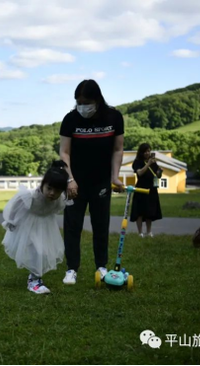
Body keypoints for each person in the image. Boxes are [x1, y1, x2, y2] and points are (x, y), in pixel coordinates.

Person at [59, 79, 124, 286]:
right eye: (78, 101)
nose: (82, 106)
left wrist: (115, 176)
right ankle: (71, 269)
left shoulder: (114, 117)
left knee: (101, 224)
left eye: (86, 101)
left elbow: (117, 149)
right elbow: (64, 152)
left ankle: (101, 267)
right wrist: (70, 179)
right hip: (75, 183)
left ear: (97, 99)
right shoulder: (70, 119)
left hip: (101, 182)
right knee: (72, 226)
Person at [1, 161, 69, 294]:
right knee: (37, 250)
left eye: (57, 191)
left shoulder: (59, 200)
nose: (51, 193)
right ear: (42, 184)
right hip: (28, 225)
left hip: (46, 226)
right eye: (49, 188)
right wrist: (11, 220)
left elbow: (54, 210)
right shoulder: (31, 196)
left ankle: (34, 276)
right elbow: (15, 205)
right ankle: (34, 280)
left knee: (44, 251)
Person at [130, 143, 163, 237]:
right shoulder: (137, 162)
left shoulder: (153, 162)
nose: (147, 153)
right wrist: (148, 164)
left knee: (150, 210)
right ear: (141, 152)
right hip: (141, 188)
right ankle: (140, 232)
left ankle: (149, 232)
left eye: (148, 151)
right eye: (145, 151)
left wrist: (159, 172)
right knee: (139, 211)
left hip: (151, 188)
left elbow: (157, 175)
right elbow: (139, 173)